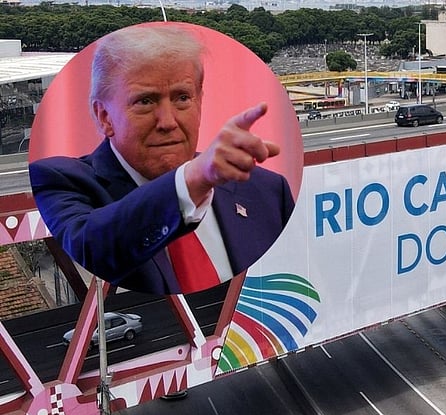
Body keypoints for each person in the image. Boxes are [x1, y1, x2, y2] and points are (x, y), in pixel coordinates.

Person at [29, 24, 295, 294]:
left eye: (182, 98)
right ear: (104, 117)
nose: (168, 121)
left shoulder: (268, 191)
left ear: (200, 102)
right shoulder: (59, 179)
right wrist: (190, 183)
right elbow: (89, 247)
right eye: (145, 101)